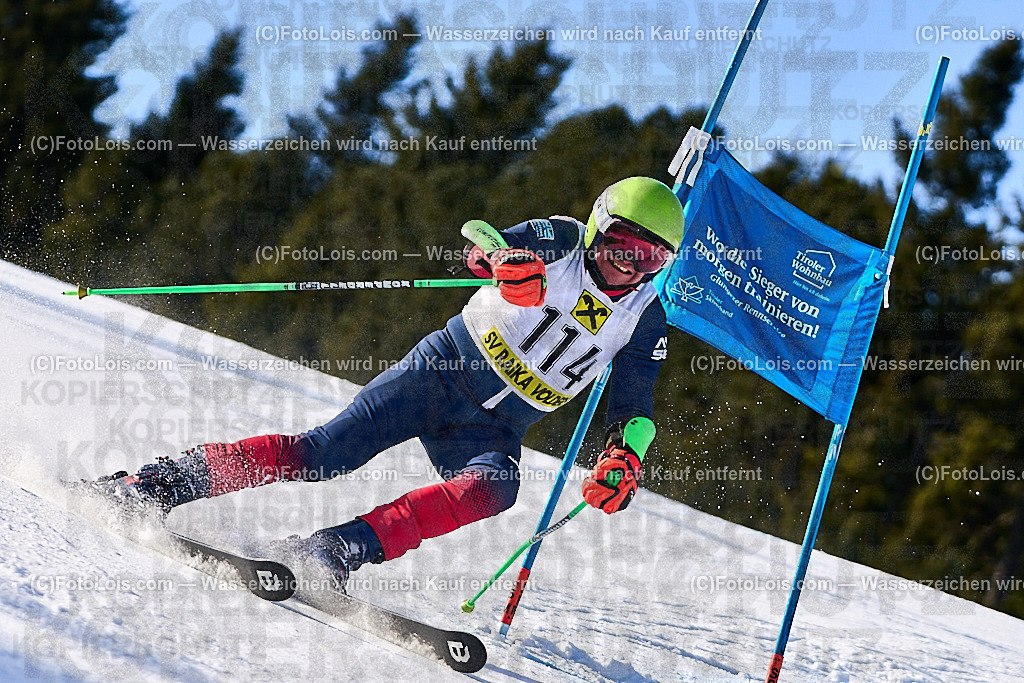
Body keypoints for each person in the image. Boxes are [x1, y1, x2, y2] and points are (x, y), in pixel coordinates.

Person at [94, 176, 684, 590]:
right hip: (441, 371)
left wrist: (624, 456)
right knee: (324, 454)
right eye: (618, 246)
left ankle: (332, 550)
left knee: (494, 490)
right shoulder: (560, 239)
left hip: (498, 424)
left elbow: (634, 403)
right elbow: (481, 239)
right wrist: (506, 265)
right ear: (596, 230)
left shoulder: (646, 316)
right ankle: (155, 483)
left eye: (649, 258)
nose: (627, 268)